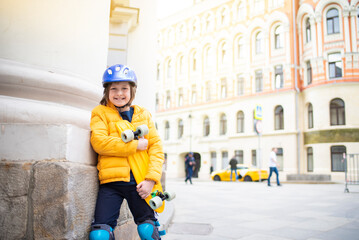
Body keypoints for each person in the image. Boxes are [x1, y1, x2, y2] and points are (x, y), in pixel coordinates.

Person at [89, 64, 164, 240]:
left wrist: (151, 180)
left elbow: (156, 148)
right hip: (111, 183)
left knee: (148, 230)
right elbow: (99, 143)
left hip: (140, 183)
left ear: (132, 91)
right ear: (106, 91)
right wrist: (134, 146)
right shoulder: (100, 113)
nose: (119, 93)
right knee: (99, 235)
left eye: (124, 88)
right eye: (113, 88)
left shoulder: (143, 114)